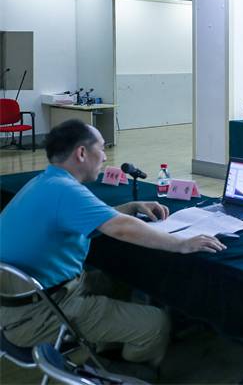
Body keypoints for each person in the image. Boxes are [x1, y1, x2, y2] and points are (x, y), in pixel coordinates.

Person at [0, 120, 226, 377]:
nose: (106, 156)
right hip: (40, 315)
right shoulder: (65, 190)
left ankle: (111, 340)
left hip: (22, 304)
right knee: (156, 324)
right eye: (101, 147)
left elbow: (93, 219)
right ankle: (124, 370)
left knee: (118, 280)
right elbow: (121, 229)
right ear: (82, 153)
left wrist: (129, 208)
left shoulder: (46, 182)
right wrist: (182, 244)